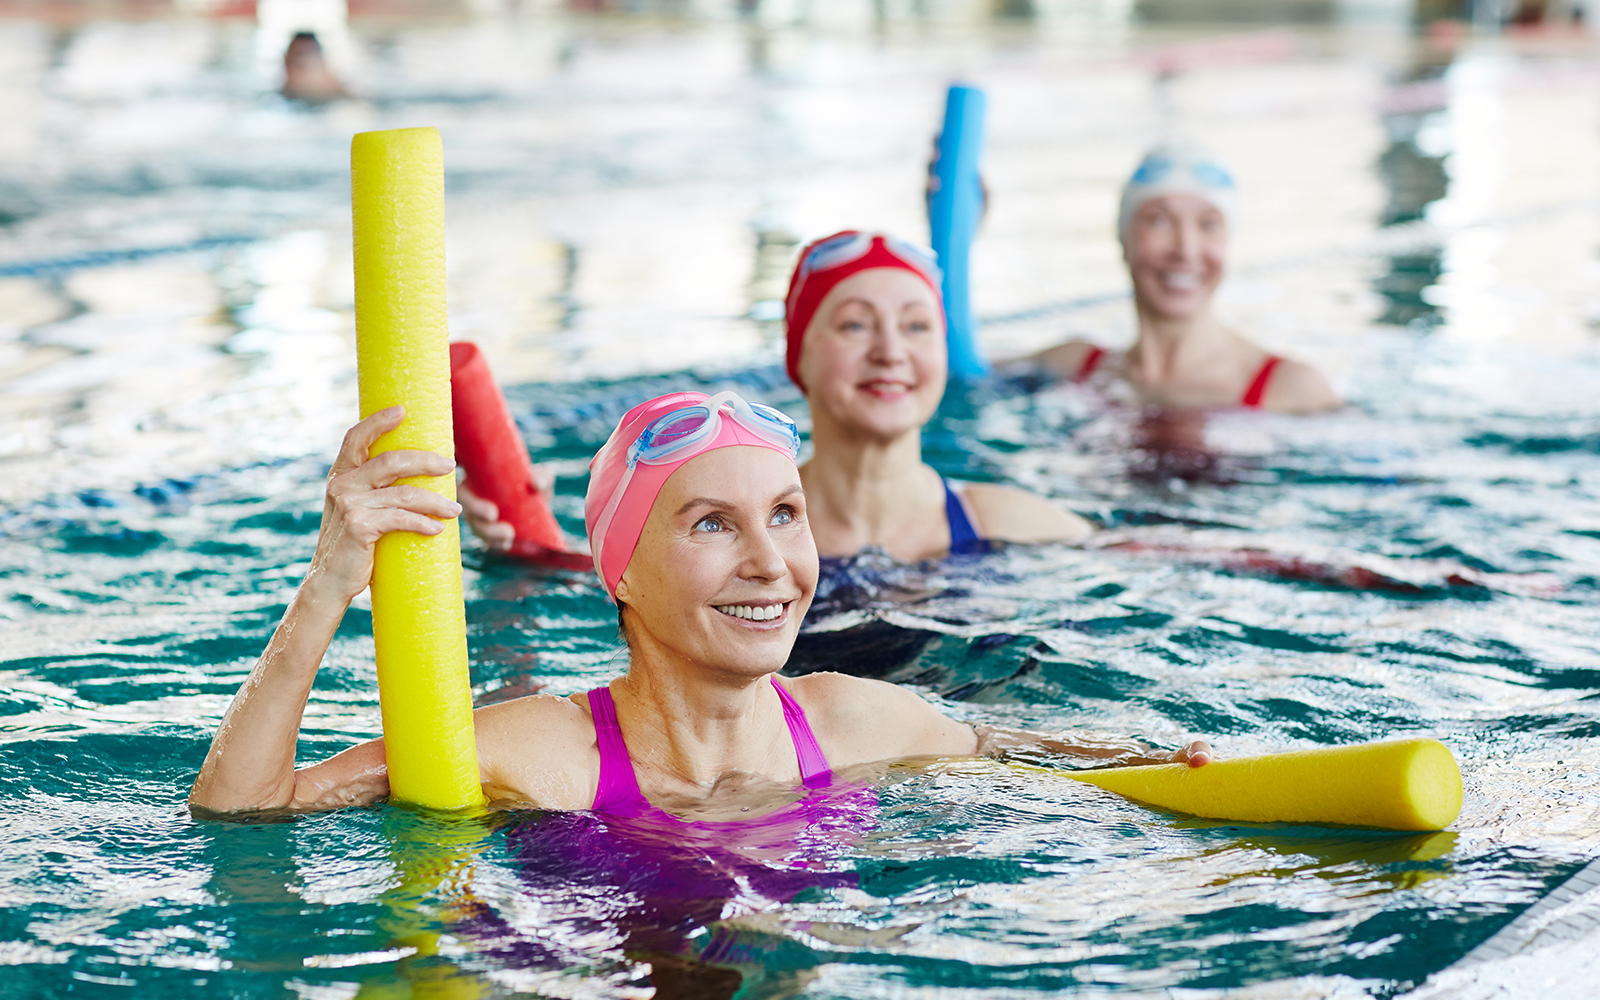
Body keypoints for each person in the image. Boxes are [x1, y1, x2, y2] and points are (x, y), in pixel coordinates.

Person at [189, 393, 1210, 819]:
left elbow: (1027, 750)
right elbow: (245, 810)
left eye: (783, 514)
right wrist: (330, 580)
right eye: (712, 525)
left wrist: (1165, 766)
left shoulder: (858, 719)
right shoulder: (539, 756)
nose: (771, 562)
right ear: (621, 571)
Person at [786, 231, 1094, 563]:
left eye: (916, 326)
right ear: (799, 355)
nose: (891, 353)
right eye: (855, 325)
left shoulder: (1026, 530)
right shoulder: (749, 536)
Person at [1029, 143, 1340, 414]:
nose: (1185, 250)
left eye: (1208, 225)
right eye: (1159, 220)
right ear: (1123, 238)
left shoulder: (1292, 389)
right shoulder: (1072, 367)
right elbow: (978, 370)